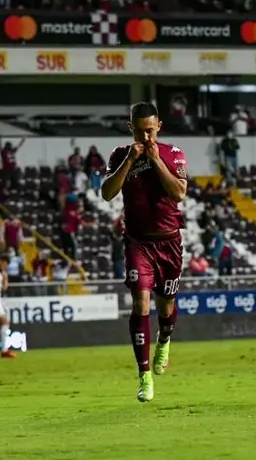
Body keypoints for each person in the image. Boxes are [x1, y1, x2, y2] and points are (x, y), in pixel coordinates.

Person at [101, 102, 188, 403]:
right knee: (140, 305)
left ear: (159, 127)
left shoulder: (173, 153)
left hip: (169, 242)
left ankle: (164, 340)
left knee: (166, 309)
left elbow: (178, 193)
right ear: (131, 129)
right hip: (138, 242)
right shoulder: (119, 154)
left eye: (150, 131)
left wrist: (155, 160)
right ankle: (144, 375)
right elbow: (107, 193)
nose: (146, 137)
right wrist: (130, 160)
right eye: (140, 132)